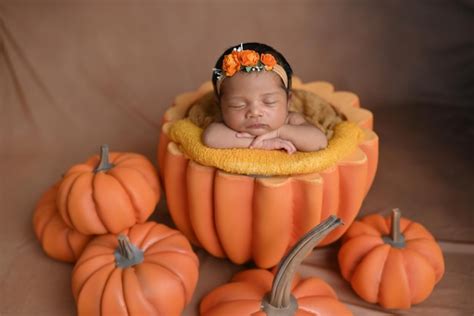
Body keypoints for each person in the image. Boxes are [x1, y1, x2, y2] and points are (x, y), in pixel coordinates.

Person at [202, 42, 328, 154]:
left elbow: (319, 142)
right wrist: (261, 144)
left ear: (288, 101)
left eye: (269, 102)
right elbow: (210, 137)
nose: (255, 113)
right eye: (238, 105)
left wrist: (281, 132)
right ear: (220, 105)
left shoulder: (290, 120)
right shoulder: (226, 125)